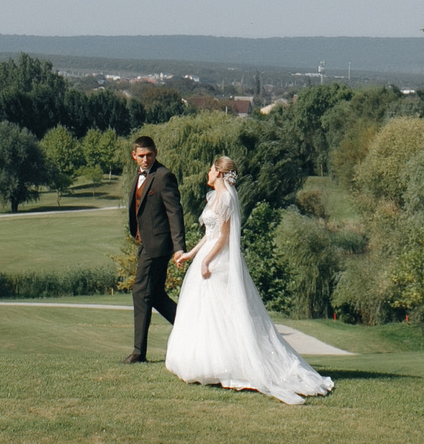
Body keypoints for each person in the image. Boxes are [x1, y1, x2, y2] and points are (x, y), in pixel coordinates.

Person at [165, 155, 334, 405]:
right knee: (203, 313)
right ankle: (206, 362)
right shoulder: (213, 198)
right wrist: (191, 254)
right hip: (207, 256)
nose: (207, 173)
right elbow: (208, 235)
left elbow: (223, 238)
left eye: (211, 170)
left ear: (220, 173)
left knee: (224, 314)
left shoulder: (225, 199)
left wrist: (206, 261)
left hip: (218, 261)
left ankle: (231, 364)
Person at [123, 135, 182, 363]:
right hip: (146, 243)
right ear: (134, 156)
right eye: (141, 156)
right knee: (155, 295)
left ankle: (139, 352)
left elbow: (174, 213)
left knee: (140, 292)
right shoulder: (138, 175)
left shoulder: (164, 176)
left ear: (155, 153)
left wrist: (178, 248)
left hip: (158, 245)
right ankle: (192, 328)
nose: (145, 160)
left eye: (149, 155)